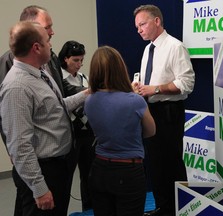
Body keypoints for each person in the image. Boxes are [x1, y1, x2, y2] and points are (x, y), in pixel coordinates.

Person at [0, 5, 86, 215]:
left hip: (57, 168)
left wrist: (88, 93)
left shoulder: (40, 72)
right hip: (43, 171)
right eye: (48, 40)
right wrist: (39, 189)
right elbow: (20, 145)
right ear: (36, 47)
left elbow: (56, 107)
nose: (52, 41)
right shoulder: (18, 87)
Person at [133, 5, 195, 216]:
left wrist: (155, 88)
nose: (139, 30)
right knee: (156, 164)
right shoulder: (147, 49)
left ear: (157, 21)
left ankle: (180, 209)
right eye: (137, 26)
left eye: (142, 24)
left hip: (169, 111)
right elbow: (149, 81)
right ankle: (162, 208)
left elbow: (187, 83)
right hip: (150, 110)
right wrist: (140, 87)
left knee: (172, 163)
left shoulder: (174, 47)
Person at [84, 45, 156, 216]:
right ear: (120, 68)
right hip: (128, 172)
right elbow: (151, 131)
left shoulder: (89, 101)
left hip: (99, 169)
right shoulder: (135, 101)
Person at [58, 40, 95, 211]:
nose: (79, 64)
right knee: (65, 178)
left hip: (88, 133)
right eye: (75, 60)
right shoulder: (58, 80)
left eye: (81, 60)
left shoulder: (85, 78)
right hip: (70, 135)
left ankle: (88, 210)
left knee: (89, 176)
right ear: (65, 59)